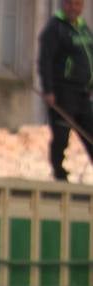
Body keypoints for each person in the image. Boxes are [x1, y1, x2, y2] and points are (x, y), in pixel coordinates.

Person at [39, 0, 93, 181]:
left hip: (83, 93)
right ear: (64, 5)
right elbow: (45, 61)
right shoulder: (54, 29)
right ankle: (59, 172)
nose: (74, 8)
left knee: (90, 130)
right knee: (61, 135)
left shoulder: (83, 28)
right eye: (71, 4)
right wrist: (48, 90)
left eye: (78, 4)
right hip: (63, 92)